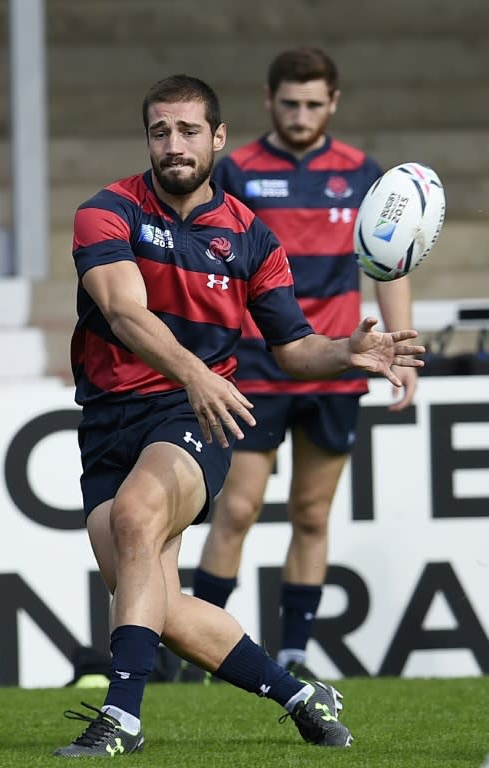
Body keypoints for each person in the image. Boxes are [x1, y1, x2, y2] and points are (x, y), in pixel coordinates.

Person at [53, 73, 424, 758]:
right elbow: (124, 312)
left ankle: (122, 719)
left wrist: (347, 350)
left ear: (218, 137)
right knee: (154, 604)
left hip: (196, 415)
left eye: (189, 129)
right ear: (147, 140)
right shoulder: (105, 213)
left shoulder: (252, 239)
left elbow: (293, 349)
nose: (174, 144)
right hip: (111, 420)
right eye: (161, 130)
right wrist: (194, 370)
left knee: (136, 517)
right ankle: (299, 696)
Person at [192, 47, 418, 679]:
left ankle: (294, 652)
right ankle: (199, 647)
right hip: (259, 367)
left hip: (339, 362)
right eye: (289, 102)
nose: (300, 114)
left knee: (312, 513)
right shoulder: (234, 171)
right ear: (268, 101)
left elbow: (389, 262)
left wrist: (399, 349)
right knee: (236, 510)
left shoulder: (363, 172)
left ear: (333, 103)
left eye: (313, 104)